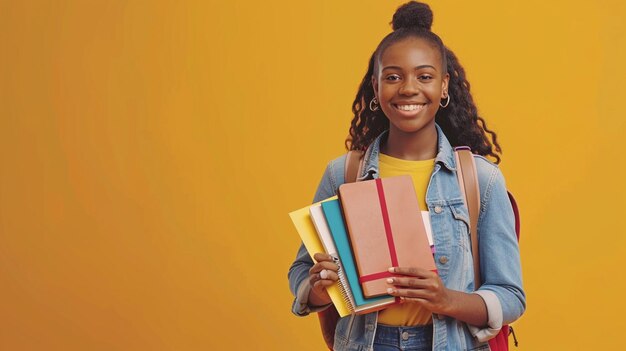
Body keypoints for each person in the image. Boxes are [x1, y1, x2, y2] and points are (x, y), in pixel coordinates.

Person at [287, 2, 525, 350]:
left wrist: (446, 299)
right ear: (376, 84)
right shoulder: (344, 173)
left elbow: (511, 296)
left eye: (424, 76)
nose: (408, 88)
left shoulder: (480, 180)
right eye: (393, 76)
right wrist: (320, 289)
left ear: (443, 86)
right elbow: (301, 272)